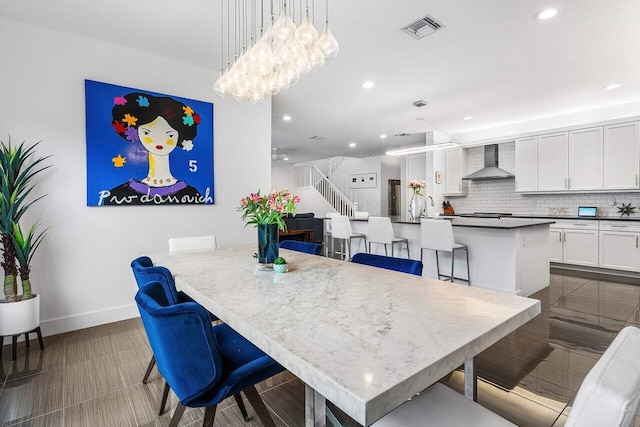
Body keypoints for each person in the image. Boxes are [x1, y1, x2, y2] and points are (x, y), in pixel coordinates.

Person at [99, 92, 207, 205]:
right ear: (137, 133)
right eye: (147, 133)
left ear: (179, 137)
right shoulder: (117, 195)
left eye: (170, 135)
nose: (159, 140)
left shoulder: (192, 195)